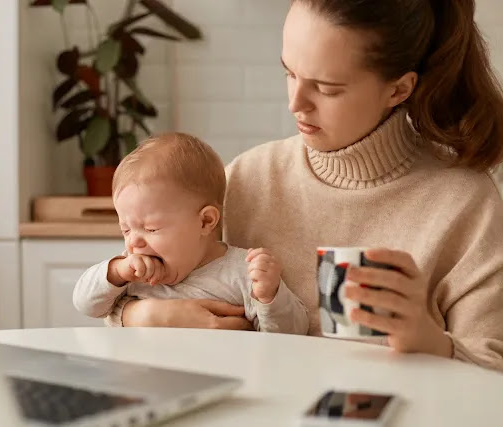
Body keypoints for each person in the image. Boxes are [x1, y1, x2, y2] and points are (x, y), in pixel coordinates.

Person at [107, 0, 503, 372]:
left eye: (327, 88)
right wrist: (143, 315)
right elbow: (120, 289)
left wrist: (433, 342)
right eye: (289, 73)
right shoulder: (244, 180)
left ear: (399, 89)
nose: (296, 102)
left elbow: (493, 366)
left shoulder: (464, 201)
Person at [73, 132, 309, 334]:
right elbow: (85, 305)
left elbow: (291, 334)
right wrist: (115, 271)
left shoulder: (242, 272)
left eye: (151, 228)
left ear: (206, 221)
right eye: (126, 229)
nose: (134, 241)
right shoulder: (131, 273)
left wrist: (270, 296)